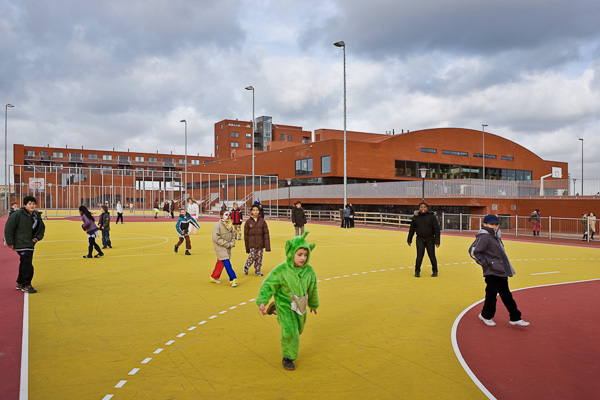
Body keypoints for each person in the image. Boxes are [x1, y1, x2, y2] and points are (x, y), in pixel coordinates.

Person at [256, 231, 319, 371]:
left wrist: (313, 304)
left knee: (298, 329)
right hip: (284, 302)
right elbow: (268, 284)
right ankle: (288, 356)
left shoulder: (309, 272)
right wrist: (262, 300)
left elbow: (313, 288)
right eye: (299, 254)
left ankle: (276, 311)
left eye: (305, 255)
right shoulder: (281, 270)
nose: (303, 258)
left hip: (300, 303)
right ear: (291, 254)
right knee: (290, 331)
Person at [468, 214, 530, 327]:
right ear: (484, 224)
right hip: (492, 272)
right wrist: (487, 265)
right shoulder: (484, 237)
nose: (494, 226)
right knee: (492, 296)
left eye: (496, 224)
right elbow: (473, 252)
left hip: (500, 270)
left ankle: (515, 317)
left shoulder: (495, 236)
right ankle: (487, 316)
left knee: (505, 295)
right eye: (492, 224)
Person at [4, 196, 45, 293]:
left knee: (24, 262)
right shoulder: (18, 215)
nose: (32, 205)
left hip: (30, 243)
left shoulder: (36, 215)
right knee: (28, 264)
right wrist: (10, 242)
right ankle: (26, 284)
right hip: (21, 243)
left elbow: (42, 228)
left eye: (33, 204)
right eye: (29, 204)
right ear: (25, 205)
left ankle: (20, 282)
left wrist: (36, 238)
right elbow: (9, 228)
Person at [407, 202, 441, 277]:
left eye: (424, 207)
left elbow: (437, 230)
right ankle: (417, 271)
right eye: (421, 207)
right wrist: (409, 239)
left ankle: (435, 270)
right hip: (420, 239)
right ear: (419, 208)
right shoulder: (416, 217)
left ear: (427, 208)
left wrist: (437, 241)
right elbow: (411, 229)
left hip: (430, 239)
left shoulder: (432, 217)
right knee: (419, 256)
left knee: (432, 256)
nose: (423, 209)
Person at [210, 210, 238, 287]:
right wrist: (226, 244)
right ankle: (233, 279)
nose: (228, 216)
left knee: (220, 262)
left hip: (227, 248)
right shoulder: (217, 226)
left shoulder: (230, 226)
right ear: (221, 216)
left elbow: (233, 236)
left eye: (229, 215)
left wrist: (232, 243)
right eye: (226, 214)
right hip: (220, 248)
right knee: (227, 264)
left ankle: (214, 277)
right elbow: (216, 238)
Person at [243, 204, 271, 276]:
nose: (255, 212)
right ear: (251, 211)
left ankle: (257, 270)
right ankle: (246, 266)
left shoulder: (262, 222)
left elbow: (266, 234)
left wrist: (267, 246)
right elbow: (246, 235)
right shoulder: (248, 222)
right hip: (252, 243)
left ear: (259, 211)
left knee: (259, 257)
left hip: (260, 243)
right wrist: (247, 246)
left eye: (257, 210)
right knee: (252, 255)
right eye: (254, 210)